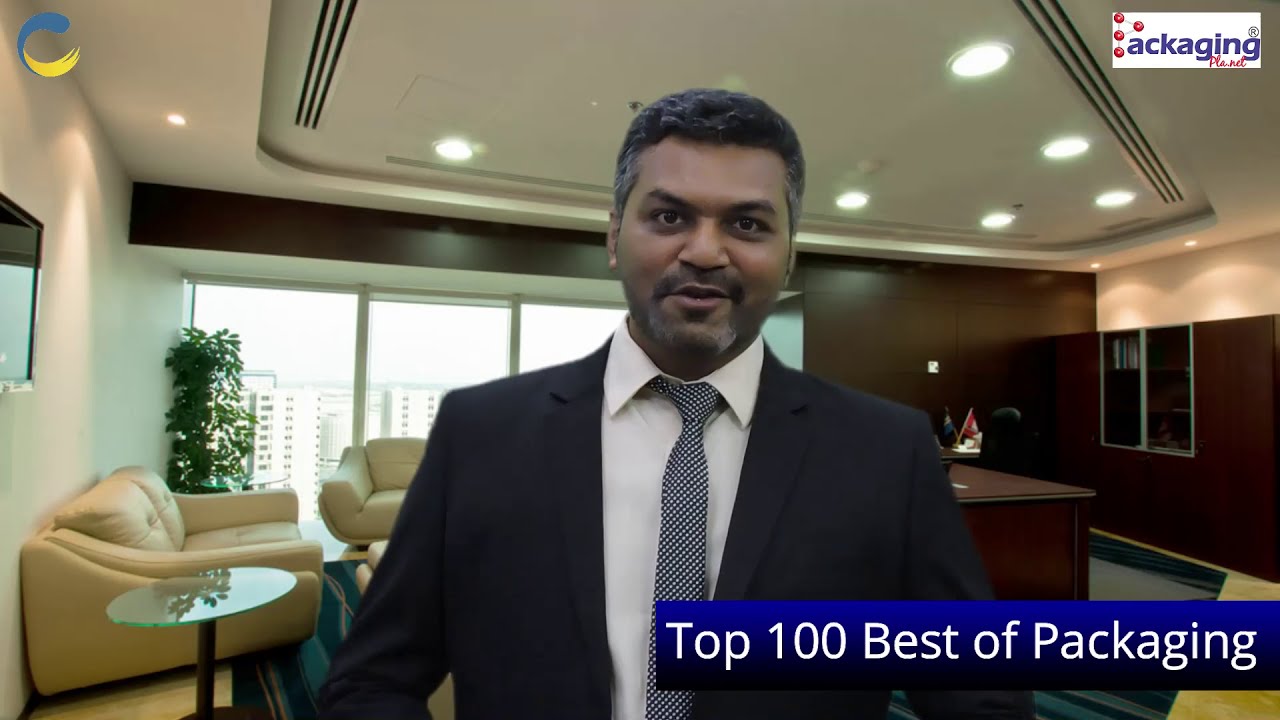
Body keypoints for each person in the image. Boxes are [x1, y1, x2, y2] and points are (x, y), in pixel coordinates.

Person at [317, 88, 1035, 719]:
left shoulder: (886, 452)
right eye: (668, 216)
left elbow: (981, 694)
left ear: (789, 254)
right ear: (613, 237)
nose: (704, 251)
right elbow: (372, 680)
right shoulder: (481, 433)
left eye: (747, 224)